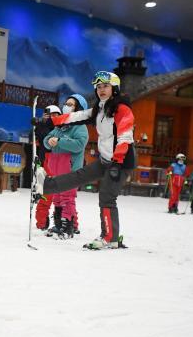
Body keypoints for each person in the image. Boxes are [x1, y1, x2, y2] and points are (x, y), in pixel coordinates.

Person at [33, 71, 136, 250]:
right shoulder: (100, 109)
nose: (101, 90)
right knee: (78, 176)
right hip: (105, 159)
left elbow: (125, 137)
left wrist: (118, 162)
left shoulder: (122, 110)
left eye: (105, 86)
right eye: (99, 87)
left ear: (115, 88)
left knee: (107, 197)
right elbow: (75, 117)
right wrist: (50, 123)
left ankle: (110, 237)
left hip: (121, 161)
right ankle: (45, 186)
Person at [43, 95, 88, 238]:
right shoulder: (60, 126)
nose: (66, 106)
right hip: (56, 167)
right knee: (57, 195)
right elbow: (46, 139)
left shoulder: (80, 126)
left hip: (70, 168)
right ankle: (58, 223)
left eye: (71, 104)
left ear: (78, 108)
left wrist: (60, 141)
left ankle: (67, 225)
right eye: (66, 103)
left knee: (67, 197)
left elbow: (79, 144)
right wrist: (48, 141)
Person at [34, 105, 60, 231]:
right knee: (46, 193)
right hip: (47, 162)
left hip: (61, 162)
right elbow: (41, 138)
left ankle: (66, 221)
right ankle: (42, 222)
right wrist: (39, 124)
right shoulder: (43, 127)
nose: (52, 118)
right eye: (49, 115)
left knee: (64, 195)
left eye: (55, 115)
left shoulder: (62, 126)